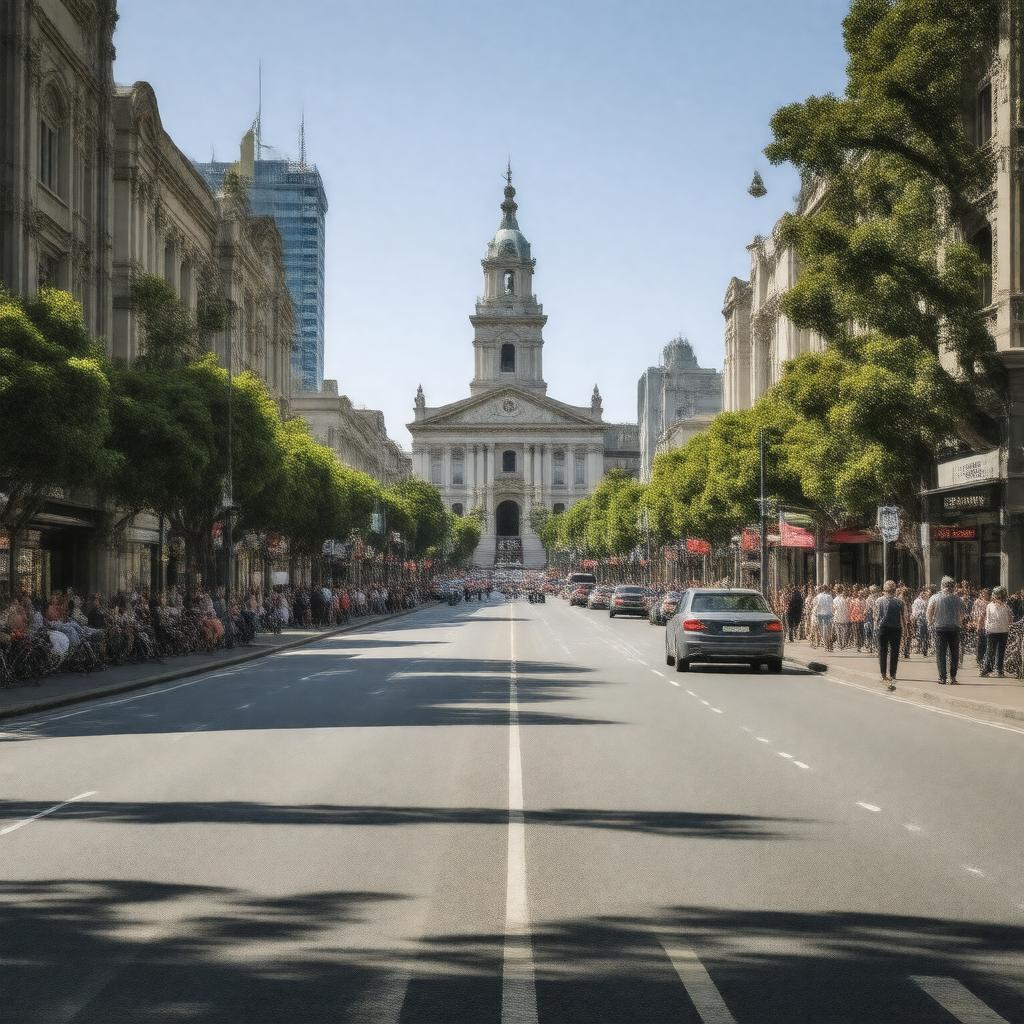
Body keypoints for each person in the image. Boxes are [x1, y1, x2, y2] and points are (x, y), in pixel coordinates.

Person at [927, 576, 967, 685]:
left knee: (941, 653)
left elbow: (930, 611)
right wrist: (959, 621)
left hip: (940, 628)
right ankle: (953, 677)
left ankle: (942, 678)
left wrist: (930, 621)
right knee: (954, 653)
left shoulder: (935, 597)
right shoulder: (958, 599)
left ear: (942, 585)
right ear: (953, 586)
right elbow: (963, 614)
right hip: (954, 628)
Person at [873, 580, 904, 691]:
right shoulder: (899, 602)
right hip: (896, 629)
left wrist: (876, 626)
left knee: (882, 651)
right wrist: (905, 630)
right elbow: (903, 617)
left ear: (884, 590)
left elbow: (875, 616)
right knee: (894, 652)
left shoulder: (878, 601)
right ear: (894, 590)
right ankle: (892, 674)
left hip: (883, 628)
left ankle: (883, 674)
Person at [980, 586, 1012, 678]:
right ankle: (999, 670)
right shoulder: (1006, 606)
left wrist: (986, 628)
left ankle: (985, 670)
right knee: (1000, 651)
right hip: (1003, 631)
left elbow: (988, 618)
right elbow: (1010, 620)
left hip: (991, 631)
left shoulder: (989, 606)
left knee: (990, 651)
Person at [811, 584, 834, 652]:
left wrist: (814, 613)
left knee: (822, 631)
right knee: (828, 631)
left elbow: (816, 605)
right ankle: (829, 644)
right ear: (827, 589)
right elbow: (832, 605)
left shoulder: (818, 596)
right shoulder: (830, 596)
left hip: (820, 615)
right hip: (828, 615)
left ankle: (826, 645)